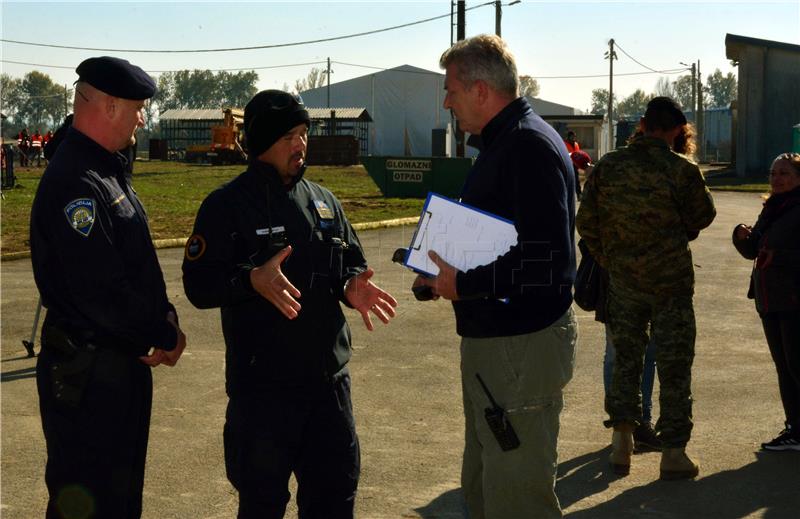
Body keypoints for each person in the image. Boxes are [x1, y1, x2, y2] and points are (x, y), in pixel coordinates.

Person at [182, 89, 398, 518]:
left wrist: (351, 286)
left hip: (328, 391)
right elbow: (199, 284)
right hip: (264, 393)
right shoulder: (226, 206)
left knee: (334, 501)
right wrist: (250, 280)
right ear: (261, 143)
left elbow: (349, 263)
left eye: (303, 134)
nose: (300, 144)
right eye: (288, 137)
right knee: (262, 505)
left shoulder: (324, 200)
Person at [414, 35, 577, 518]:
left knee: (518, 498)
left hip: (519, 351)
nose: (446, 102)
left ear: (481, 90)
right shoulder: (509, 141)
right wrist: (439, 273)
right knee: (488, 488)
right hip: (502, 350)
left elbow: (548, 259)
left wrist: (464, 285)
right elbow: (501, 238)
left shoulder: (527, 146)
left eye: (451, 90)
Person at [29, 56, 187, 519]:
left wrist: (166, 314)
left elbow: (136, 264)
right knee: (85, 502)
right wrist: (162, 333)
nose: (143, 117)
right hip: (87, 379)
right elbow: (100, 291)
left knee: (118, 502)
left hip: (116, 371)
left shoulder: (106, 170)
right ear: (111, 107)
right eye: (138, 107)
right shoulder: (74, 181)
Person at [577, 96, 716, 480]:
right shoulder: (681, 169)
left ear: (642, 124)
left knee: (625, 360)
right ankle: (673, 452)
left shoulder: (609, 166)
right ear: (675, 130)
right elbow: (702, 216)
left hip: (623, 282)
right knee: (674, 365)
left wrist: (611, 258)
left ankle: (622, 444)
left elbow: (586, 222)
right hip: (670, 283)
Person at [732, 152, 800, 451]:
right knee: (784, 367)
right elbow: (755, 250)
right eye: (774, 173)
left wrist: (782, 257)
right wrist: (741, 237)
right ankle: (795, 428)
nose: (777, 179)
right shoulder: (772, 207)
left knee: (797, 366)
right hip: (770, 299)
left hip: (795, 299)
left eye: (784, 173)